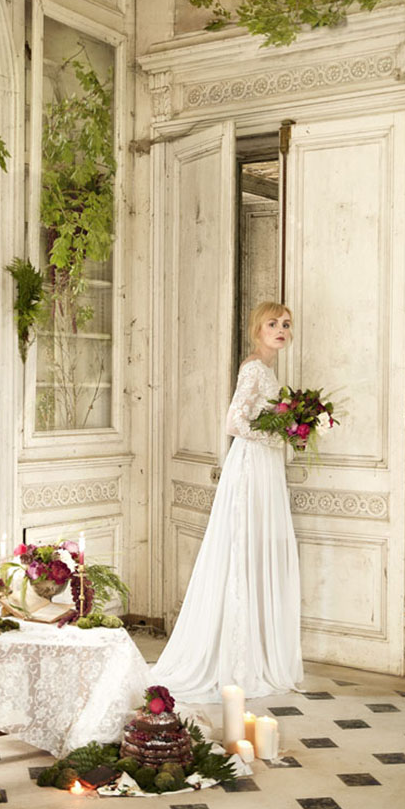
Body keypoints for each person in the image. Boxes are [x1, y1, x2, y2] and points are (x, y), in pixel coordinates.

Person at [152, 301, 303, 702]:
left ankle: (254, 649)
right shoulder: (253, 368)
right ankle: (235, 656)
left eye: (286, 324)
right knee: (243, 550)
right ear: (257, 330)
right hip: (251, 465)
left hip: (265, 465)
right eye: (272, 324)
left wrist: (289, 429)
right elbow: (234, 423)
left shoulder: (268, 370)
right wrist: (279, 435)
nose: (281, 329)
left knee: (256, 550)